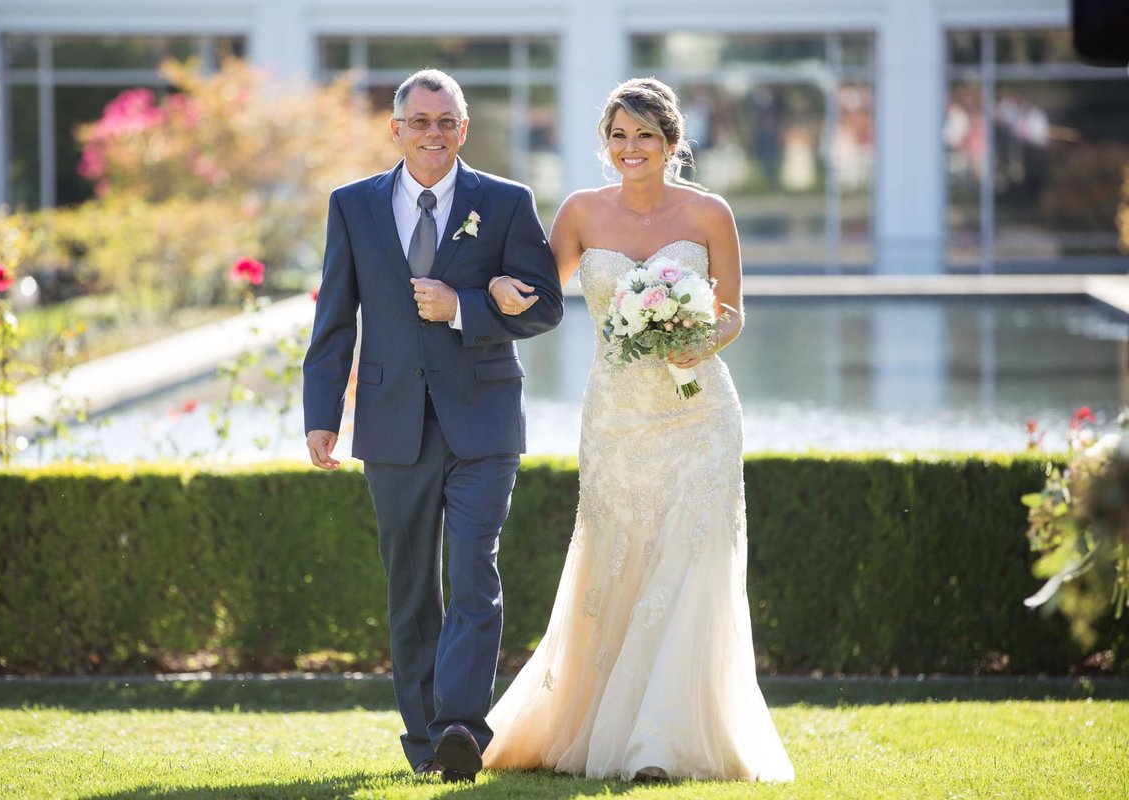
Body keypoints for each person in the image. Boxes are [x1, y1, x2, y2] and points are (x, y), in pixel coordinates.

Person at [481, 77, 794, 783]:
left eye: (645, 136)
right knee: (618, 558)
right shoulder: (581, 213)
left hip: (700, 412)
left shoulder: (711, 212)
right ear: (606, 143)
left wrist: (704, 340)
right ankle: (603, 727)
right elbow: (535, 292)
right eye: (619, 136)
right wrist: (498, 289)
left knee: (692, 561)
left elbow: (734, 311)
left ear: (672, 143)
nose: (631, 149)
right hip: (617, 415)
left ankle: (661, 740)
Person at [303, 68, 564, 784]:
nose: (433, 134)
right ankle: (425, 742)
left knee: (474, 571)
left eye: (446, 121)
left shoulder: (506, 203)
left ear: (465, 128)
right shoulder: (352, 206)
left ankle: (460, 726)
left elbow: (545, 309)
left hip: (483, 422)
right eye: (419, 121)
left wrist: (464, 306)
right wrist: (321, 416)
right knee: (411, 588)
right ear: (396, 129)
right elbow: (334, 323)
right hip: (390, 425)